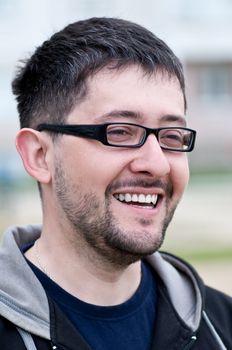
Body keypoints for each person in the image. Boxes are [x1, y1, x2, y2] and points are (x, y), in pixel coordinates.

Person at [0, 17, 231, 350]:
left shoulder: (221, 325)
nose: (157, 163)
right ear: (39, 155)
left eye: (171, 136)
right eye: (120, 132)